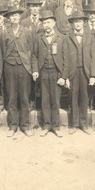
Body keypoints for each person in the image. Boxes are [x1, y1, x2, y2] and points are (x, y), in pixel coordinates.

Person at [32, 10, 69, 138]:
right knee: (45, 100)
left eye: (48, 22)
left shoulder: (62, 38)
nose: (46, 25)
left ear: (53, 23)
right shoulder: (39, 38)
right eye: (44, 23)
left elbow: (66, 59)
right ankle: (46, 125)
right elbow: (34, 55)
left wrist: (63, 77)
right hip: (43, 73)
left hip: (56, 73)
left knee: (55, 101)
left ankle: (56, 126)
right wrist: (35, 70)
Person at [1, 5, 33, 137]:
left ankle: (25, 125)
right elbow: (3, 50)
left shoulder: (27, 31)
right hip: (9, 67)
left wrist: (29, 66)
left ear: (20, 17)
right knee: (12, 97)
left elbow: (30, 49)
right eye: (12, 16)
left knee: (24, 97)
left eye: (17, 15)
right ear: (9, 18)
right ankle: (13, 125)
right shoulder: (5, 33)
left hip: (24, 67)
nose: (14, 18)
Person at [66, 10, 95, 135]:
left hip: (85, 72)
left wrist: (93, 75)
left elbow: (93, 57)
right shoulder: (67, 37)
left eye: (79, 21)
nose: (77, 24)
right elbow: (65, 57)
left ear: (84, 23)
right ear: (72, 24)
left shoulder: (90, 37)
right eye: (75, 22)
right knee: (73, 97)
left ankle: (84, 124)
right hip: (73, 72)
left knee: (84, 97)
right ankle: (74, 124)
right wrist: (66, 76)